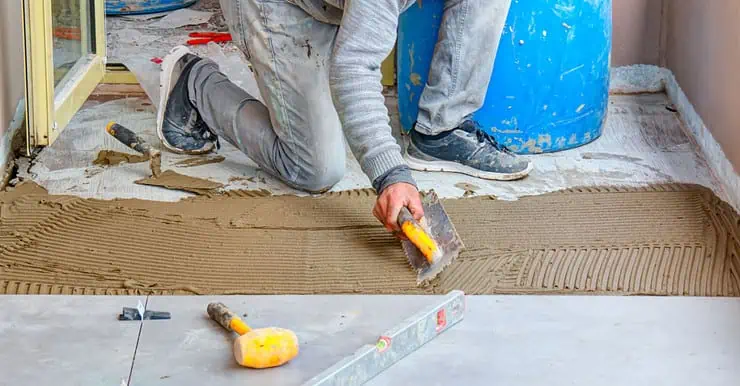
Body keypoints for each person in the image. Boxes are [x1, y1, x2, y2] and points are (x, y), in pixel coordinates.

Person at [156, 0, 532, 235]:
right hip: (279, 7)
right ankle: (195, 84)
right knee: (315, 168)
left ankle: (440, 129)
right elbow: (353, 67)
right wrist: (390, 175)